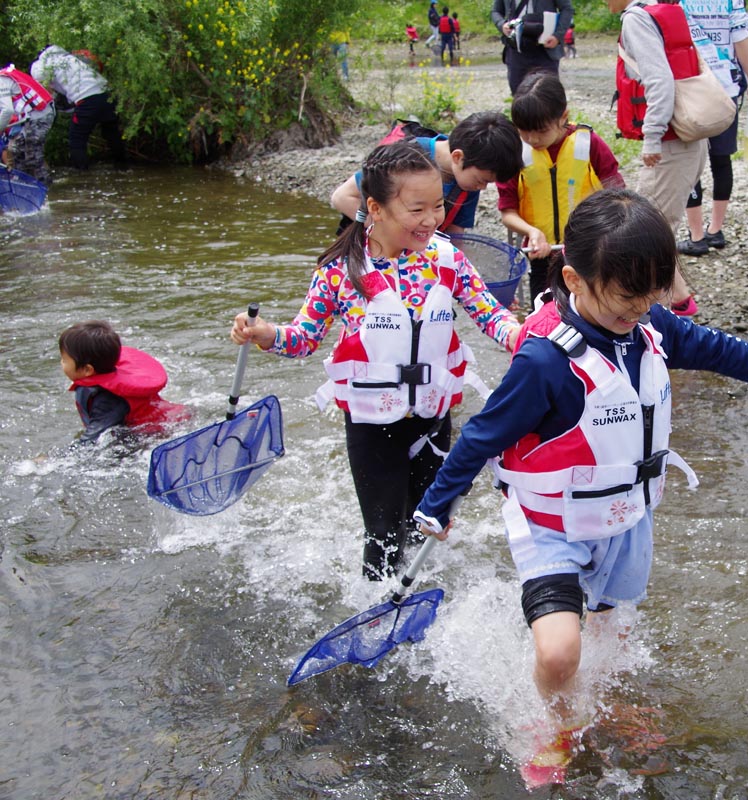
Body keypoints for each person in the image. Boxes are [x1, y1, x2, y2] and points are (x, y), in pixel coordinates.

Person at [412, 190, 748, 775]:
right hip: (554, 524)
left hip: (626, 518)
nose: (641, 310)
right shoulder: (544, 362)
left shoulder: (651, 325)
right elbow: (480, 437)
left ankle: (606, 705)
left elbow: (725, 352)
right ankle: (556, 721)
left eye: (652, 296)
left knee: (611, 636)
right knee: (561, 652)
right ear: (574, 278)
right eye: (625, 298)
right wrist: (438, 504)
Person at [231, 140, 521, 580]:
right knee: (384, 535)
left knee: (425, 526)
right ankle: (375, 621)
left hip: (433, 418)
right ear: (376, 207)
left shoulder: (449, 261)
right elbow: (303, 339)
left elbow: (491, 315)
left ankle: (425, 606)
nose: (431, 221)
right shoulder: (340, 270)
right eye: (417, 209)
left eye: (438, 207)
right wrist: (265, 334)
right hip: (372, 424)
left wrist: (525, 336)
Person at [609, 0, 709, 316]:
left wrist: (652, 137)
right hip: (689, 137)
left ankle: (669, 316)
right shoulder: (662, 10)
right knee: (659, 228)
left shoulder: (637, 19)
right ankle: (679, 302)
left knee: (643, 231)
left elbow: (660, 80)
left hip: (669, 144)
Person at [499, 72, 625, 307]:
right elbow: (507, 212)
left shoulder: (589, 144)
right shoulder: (517, 152)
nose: (532, 139)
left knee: (591, 308)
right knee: (545, 309)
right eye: (523, 131)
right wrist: (532, 232)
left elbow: (617, 194)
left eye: (541, 130)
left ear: (563, 117)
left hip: (587, 251)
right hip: (542, 254)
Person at [330, 111, 523, 235]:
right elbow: (341, 197)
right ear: (458, 157)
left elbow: (455, 237)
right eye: (481, 180)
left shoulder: (468, 181)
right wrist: (391, 234)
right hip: (370, 251)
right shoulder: (405, 155)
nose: (482, 187)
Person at [676, 0, 748, 263]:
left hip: (691, 86)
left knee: (692, 160)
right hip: (727, 86)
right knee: (721, 159)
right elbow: (741, 38)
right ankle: (715, 230)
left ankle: (696, 236)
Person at [60, 321, 190, 444]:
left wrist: (58, 459)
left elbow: (94, 439)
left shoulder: (107, 399)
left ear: (87, 369)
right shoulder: (101, 384)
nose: (61, 363)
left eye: (65, 360)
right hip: (169, 419)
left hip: (157, 433)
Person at [30, 45, 127, 170]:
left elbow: (44, 89)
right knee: (112, 133)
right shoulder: (72, 57)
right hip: (107, 94)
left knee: (77, 139)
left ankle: (82, 176)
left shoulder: (40, 65)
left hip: (87, 99)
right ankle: (123, 167)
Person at [492, 0, 574, 95]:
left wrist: (557, 35)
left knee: (549, 95)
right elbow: (496, 11)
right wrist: (502, 24)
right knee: (518, 96)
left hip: (545, 48)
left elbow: (567, 9)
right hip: (516, 49)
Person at [0, 63, 55, 185]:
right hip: (30, 118)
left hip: (40, 116)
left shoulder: (1, 81)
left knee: (33, 157)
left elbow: (7, 110)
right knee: (16, 152)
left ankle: (46, 191)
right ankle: (21, 187)